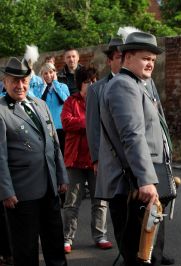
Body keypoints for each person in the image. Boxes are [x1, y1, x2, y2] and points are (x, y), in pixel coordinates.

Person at [96, 30, 170, 266]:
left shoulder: (137, 84)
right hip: (135, 186)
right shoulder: (124, 86)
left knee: (150, 253)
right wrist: (146, 180)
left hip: (142, 181)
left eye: (153, 59)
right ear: (126, 57)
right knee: (140, 255)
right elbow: (132, 135)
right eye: (145, 58)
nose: (150, 63)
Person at [0, 57, 68, 266]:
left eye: (24, 81)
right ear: (5, 82)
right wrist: (6, 191)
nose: (20, 86)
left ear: (29, 81)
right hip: (21, 192)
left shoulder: (40, 104)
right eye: (14, 81)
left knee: (55, 242)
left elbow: (54, 144)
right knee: (26, 248)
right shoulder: (1, 111)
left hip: (49, 187)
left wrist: (62, 175)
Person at [61, 66, 112, 253]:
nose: (91, 85)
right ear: (79, 84)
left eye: (93, 81)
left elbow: (106, 124)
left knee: (100, 200)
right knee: (72, 202)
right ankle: (67, 238)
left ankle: (101, 235)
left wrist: (84, 123)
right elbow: (66, 122)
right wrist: (89, 122)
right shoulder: (70, 101)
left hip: (95, 158)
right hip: (75, 159)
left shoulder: (101, 101)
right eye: (87, 81)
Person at [86, 38, 123, 176]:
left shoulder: (140, 84)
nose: (124, 61)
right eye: (119, 57)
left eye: (126, 57)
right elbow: (93, 126)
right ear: (109, 61)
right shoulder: (96, 90)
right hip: (110, 156)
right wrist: (96, 159)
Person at [31, 63, 69, 154]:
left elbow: (66, 101)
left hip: (61, 127)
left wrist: (55, 83)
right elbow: (35, 104)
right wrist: (43, 87)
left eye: (51, 72)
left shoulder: (63, 86)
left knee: (62, 153)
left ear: (55, 73)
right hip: (46, 127)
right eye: (45, 73)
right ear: (42, 75)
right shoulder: (37, 89)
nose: (48, 75)